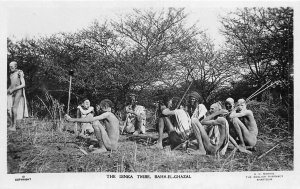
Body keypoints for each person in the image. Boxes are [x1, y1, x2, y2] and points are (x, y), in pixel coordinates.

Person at [7, 61, 28, 131]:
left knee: (14, 109)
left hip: (18, 92)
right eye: (9, 67)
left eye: (11, 67)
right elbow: (12, 85)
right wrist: (8, 90)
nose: (10, 68)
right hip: (13, 92)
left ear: (15, 66)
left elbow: (23, 84)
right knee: (10, 109)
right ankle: (12, 124)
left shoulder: (20, 72)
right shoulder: (11, 74)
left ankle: (14, 126)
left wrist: (14, 89)